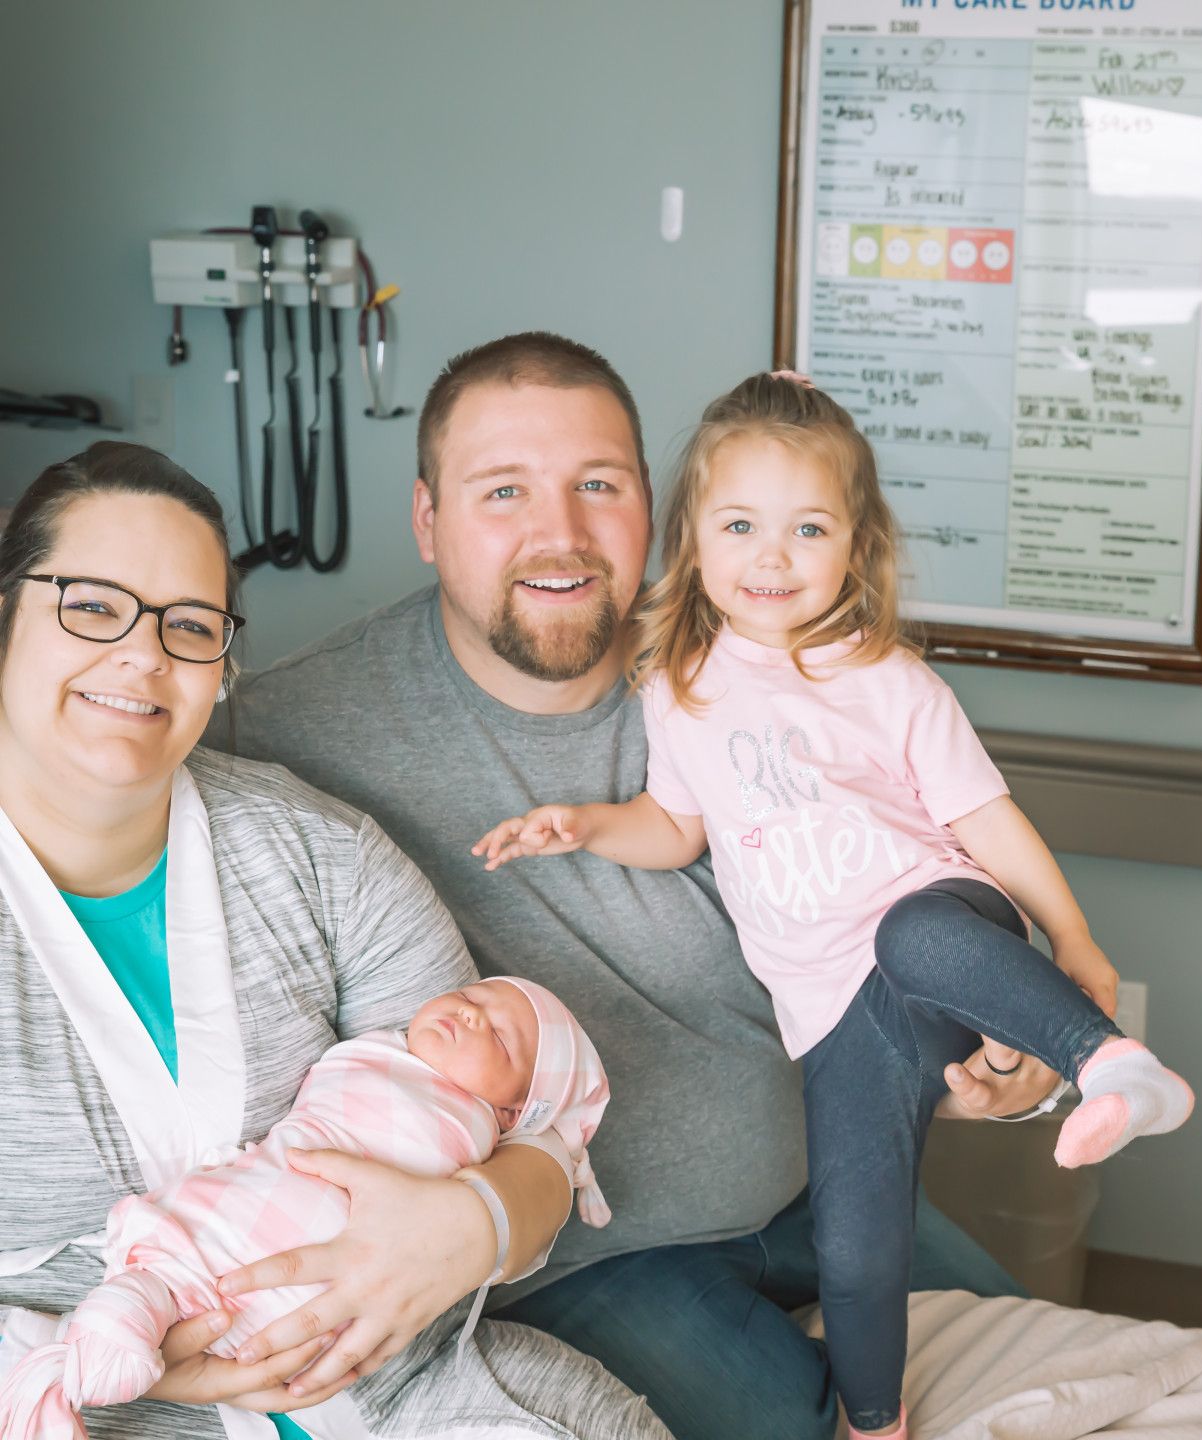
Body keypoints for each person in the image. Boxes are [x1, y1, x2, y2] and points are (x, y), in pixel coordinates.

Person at [223, 332, 1064, 1440]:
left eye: (598, 486)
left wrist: (1015, 1055)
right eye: (504, 490)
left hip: (826, 1187)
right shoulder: (287, 732)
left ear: (653, 510)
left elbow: (934, 877)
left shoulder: (760, 667)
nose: (559, 534)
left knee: (1045, 1373)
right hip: (584, 1258)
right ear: (426, 520)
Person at [476, 373, 1196, 1438]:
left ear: (854, 547)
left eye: (808, 528)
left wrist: (1075, 938)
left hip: (945, 931)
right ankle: (875, 1422)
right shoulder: (679, 687)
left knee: (917, 929)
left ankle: (1118, 1067)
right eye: (741, 526)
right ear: (695, 539)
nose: (771, 558)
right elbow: (675, 828)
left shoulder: (889, 678)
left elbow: (989, 821)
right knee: (860, 1242)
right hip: (834, 1013)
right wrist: (584, 822)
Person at [0, 441, 670, 1440]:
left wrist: (475, 1219)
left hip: (414, 1389)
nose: (143, 656)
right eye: (92, 605)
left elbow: (532, 1130)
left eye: (189, 626)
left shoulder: (324, 859)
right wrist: (122, 1364)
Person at [0, 975, 612, 1440]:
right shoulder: (381, 1052)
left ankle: (61, 1361)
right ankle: (66, 1362)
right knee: (174, 1279)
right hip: (242, 1220)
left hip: (344, 1320)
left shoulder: (476, 1129)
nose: (470, 1013)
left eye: (500, 1037)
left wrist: (486, 1213)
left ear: (512, 1114)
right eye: (470, 996)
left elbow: (546, 1162)